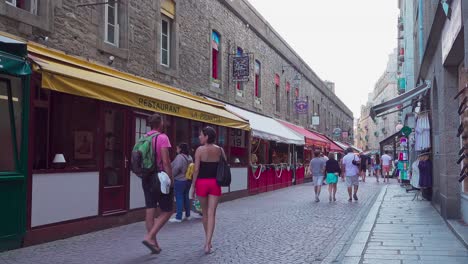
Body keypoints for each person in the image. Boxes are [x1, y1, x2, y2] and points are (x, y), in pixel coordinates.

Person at [142, 114, 173, 254]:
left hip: (146, 176)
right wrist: (170, 179)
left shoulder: (144, 137)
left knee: (150, 208)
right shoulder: (162, 137)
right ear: (160, 123)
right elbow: (166, 161)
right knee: (167, 210)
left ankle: (154, 244)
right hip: (159, 176)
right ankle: (149, 237)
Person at [191, 126, 225, 254]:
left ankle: (207, 241)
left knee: (204, 213)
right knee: (212, 214)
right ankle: (208, 243)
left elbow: (196, 169)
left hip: (201, 183)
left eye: (201, 135)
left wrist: (193, 186)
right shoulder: (220, 150)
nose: (199, 137)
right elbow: (224, 164)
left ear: (206, 137)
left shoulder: (199, 150)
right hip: (215, 183)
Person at [169, 143, 193, 223]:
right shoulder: (189, 157)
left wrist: (172, 174)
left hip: (180, 180)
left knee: (179, 197)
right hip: (188, 180)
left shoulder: (180, 157)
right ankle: (188, 215)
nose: (177, 150)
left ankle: (178, 217)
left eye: (177, 148)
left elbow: (177, 167)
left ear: (180, 149)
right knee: (186, 197)